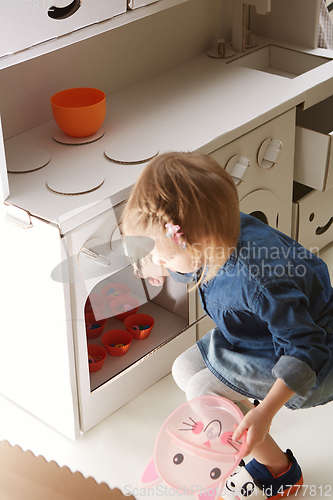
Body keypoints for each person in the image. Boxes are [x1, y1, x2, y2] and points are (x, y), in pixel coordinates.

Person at [122, 151, 333, 499]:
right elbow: (178, 256)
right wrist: (156, 262)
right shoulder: (211, 231)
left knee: (202, 392)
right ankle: (236, 426)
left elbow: (306, 348)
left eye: (166, 255)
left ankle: (279, 472)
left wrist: (265, 414)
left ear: (202, 243)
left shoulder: (259, 279)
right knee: (183, 368)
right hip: (257, 335)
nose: (160, 261)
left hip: (314, 356)